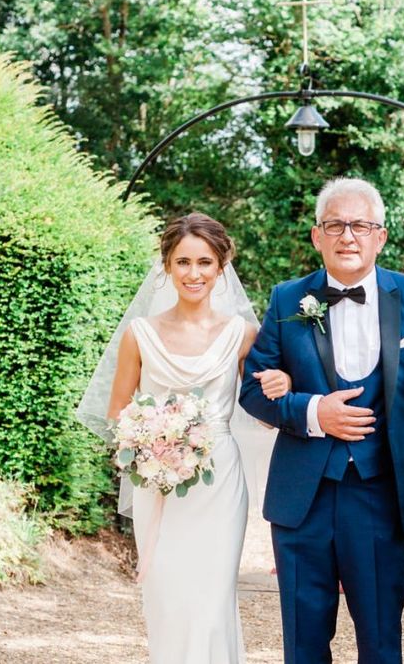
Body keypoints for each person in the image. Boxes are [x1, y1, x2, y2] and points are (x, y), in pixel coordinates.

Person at [239, 178, 404, 664]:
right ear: (317, 236)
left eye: (360, 225)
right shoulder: (287, 299)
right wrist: (315, 412)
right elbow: (253, 391)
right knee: (304, 642)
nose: (347, 236)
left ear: (380, 235)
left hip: (381, 491)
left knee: (380, 640)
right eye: (334, 225)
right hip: (302, 498)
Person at [105, 213, 289, 664]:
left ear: (221, 267)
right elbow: (117, 414)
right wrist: (150, 442)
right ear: (167, 266)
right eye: (183, 261)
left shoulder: (243, 335)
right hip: (158, 482)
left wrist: (280, 384)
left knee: (210, 602)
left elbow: (264, 416)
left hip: (219, 484)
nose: (193, 273)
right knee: (166, 599)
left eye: (204, 262)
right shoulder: (140, 335)